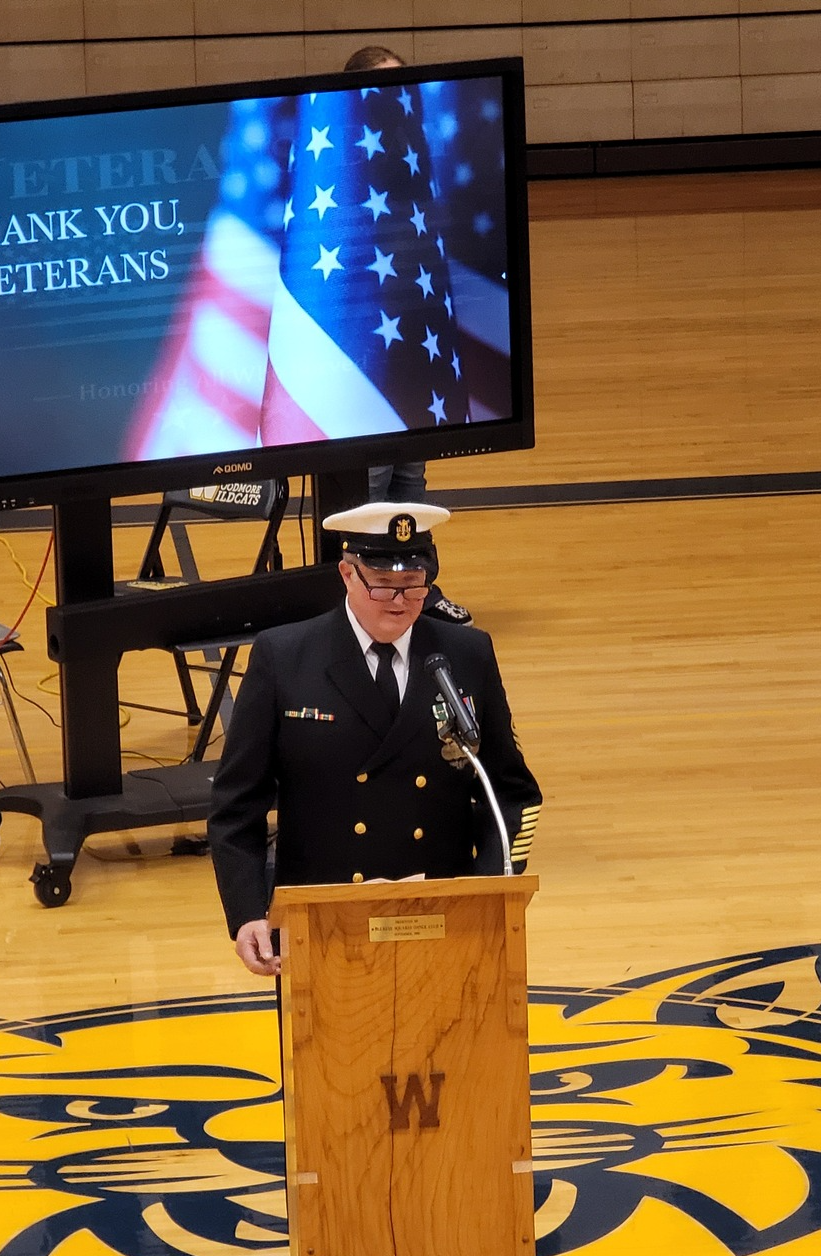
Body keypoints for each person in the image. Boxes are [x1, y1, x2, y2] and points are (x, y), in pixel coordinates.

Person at [208, 502, 542, 977]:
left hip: (443, 916)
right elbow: (236, 804)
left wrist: (489, 890)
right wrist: (246, 913)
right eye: (383, 584)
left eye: (414, 586)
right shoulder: (284, 657)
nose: (400, 601)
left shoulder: (466, 654)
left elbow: (509, 791)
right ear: (347, 574)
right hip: (322, 918)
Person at [344, 44, 472, 627]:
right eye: (387, 85)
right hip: (367, 347)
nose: (400, 94)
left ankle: (419, 587)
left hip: (414, 334)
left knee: (411, 482)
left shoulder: (415, 150)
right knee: (370, 489)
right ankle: (359, 596)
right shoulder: (343, 156)